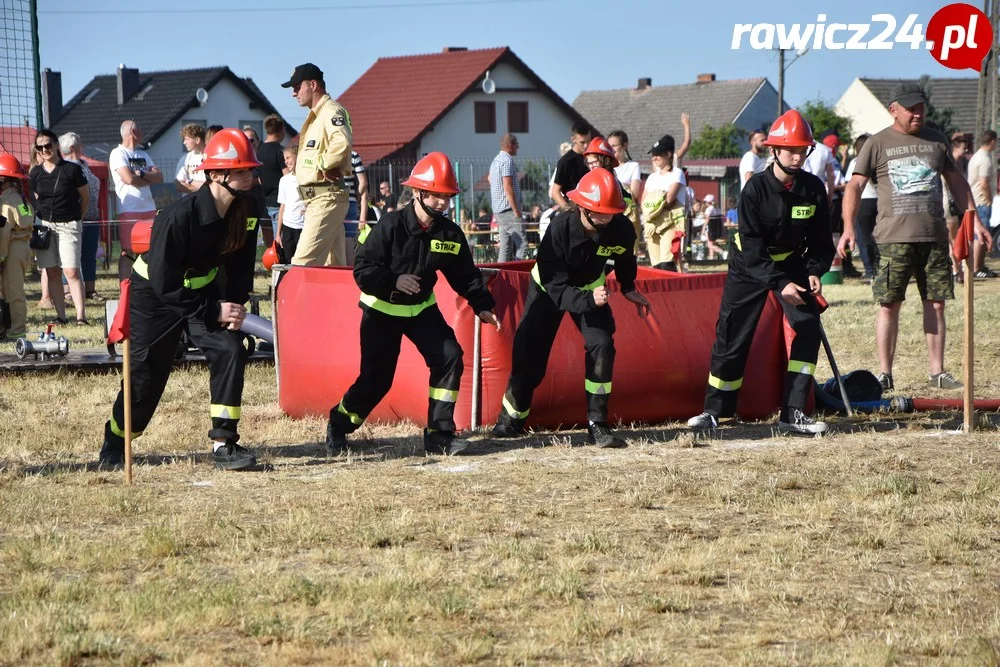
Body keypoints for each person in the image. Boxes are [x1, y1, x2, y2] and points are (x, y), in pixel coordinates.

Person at [99, 129, 263, 471]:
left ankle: (223, 444)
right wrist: (212, 309)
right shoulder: (179, 217)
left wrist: (233, 305)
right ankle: (115, 442)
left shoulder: (247, 208)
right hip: (156, 296)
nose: (251, 176)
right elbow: (164, 281)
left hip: (204, 293)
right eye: (242, 171)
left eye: (251, 170)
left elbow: (241, 265)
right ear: (217, 174)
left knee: (230, 349)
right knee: (145, 377)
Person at [324, 152, 501, 456]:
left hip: (421, 310)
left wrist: (482, 305)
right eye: (436, 196)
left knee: (449, 356)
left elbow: (465, 275)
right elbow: (363, 270)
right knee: (377, 381)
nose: (443, 203)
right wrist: (394, 280)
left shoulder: (449, 234)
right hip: (381, 311)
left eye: (447, 196)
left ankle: (439, 434)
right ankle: (339, 424)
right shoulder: (390, 226)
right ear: (418, 193)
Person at [687, 109, 834, 435]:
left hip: (793, 264)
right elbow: (751, 247)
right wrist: (780, 283)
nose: (798, 157)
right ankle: (716, 412)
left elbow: (822, 242)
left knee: (808, 328)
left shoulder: (813, 189)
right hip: (749, 266)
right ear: (774, 151)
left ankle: (793, 411)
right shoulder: (754, 190)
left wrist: (814, 271)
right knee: (731, 337)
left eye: (803, 150)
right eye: (791, 150)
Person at [838, 83, 993, 392]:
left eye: (921, 107)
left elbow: (957, 181)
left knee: (936, 304)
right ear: (893, 109)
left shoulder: (936, 140)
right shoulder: (878, 143)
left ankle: (937, 372)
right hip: (892, 239)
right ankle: (885, 373)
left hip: (933, 237)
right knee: (889, 305)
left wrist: (972, 218)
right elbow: (854, 186)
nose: (918, 113)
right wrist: (848, 228)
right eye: (911, 108)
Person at [492, 167, 650, 447]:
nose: (609, 217)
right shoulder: (559, 229)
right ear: (583, 208)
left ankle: (597, 424)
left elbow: (625, 259)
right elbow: (555, 287)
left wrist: (628, 288)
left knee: (602, 346)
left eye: (613, 211)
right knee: (529, 353)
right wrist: (589, 301)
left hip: (591, 288)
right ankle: (512, 419)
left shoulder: (621, 228)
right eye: (602, 212)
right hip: (548, 289)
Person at [282, 62, 353, 266]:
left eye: (297, 87)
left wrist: (324, 165)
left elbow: (342, 142)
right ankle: (340, 299)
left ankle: (291, 299)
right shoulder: (316, 115)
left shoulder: (330, 111)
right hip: (321, 199)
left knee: (302, 265)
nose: (294, 93)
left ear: (313, 85)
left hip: (326, 198)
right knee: (333, 267)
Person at [29, 128, 89, 325]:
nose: (45, 149)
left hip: (69, 224)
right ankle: (61, 316)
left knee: (71, 271)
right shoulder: (36, 173)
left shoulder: (72, 169)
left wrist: (76, 219)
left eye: (48, 145)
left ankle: (81, 316)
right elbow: (35, 199)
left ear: (56, 145)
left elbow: (85, 198)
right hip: (45, 226)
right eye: (40, 147)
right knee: (51, 271)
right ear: (37, 150)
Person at [109, 120, 162, 280]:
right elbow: (129, 178)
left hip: (149, 208)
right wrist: (147, 178)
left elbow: (159, 177)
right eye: (141, 130)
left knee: (150, 249)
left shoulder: (144, 154)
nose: (143, 133)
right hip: (129, 209)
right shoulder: (118, 153)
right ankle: (125, 287)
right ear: (133, 132)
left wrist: (143, 175)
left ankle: (147, 284)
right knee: (128, 251)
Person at [59, 132, 104, 302]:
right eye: (80, 143)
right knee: (70, 256)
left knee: (89, 254)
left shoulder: (84, 164)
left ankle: (90, 289)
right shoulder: (66, 167)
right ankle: (67, 290)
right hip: (74, 218)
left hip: (92, 217)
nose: (82, 146)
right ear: (72, 147)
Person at [640, 135, 687, 270]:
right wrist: (658, 202)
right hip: (652, 223)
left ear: (668, 154)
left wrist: (654, 202)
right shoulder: (651, 177)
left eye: (658, 154)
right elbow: (644, 201)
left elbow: (670, 198)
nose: (654, 158)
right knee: (656, 265)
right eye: (653, 155)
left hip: (670, 221)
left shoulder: (677, 173)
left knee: (668, 262)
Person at [0, 153, 33, 339]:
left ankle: (17, 330)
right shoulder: (21, 198)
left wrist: (1, 255)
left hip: (11, 247)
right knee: (15, 288)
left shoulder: (5, 201)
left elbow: (4, 230)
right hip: (22, 245)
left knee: (12, 291)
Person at [844, 134, 878, 280]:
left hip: (862, 202)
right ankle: (879, 268)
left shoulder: (856, 162)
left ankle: (870, 270)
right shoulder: (878, 161)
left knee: (864, 239)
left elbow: (849, 185)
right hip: (879, 201)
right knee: (877, 237)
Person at [966, 129, 996, 278]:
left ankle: (981, 265)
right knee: (981, 236)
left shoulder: (976, 156)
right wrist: (989, 199)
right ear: (992, 142)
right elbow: (983, 183)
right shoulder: (984, 159)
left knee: (983, 235)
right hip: (980, 201)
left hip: (976, 200)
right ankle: (977, 268)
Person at [490, 133, 524, 261]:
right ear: (510, 146)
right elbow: (508, 187)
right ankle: (520, 274)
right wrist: (516, 211)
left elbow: (490, 179)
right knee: (522, 244)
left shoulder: (496, 160)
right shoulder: (507, 160)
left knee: (505, 246)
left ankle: (500, 276)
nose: (518, 147)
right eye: (517, 145)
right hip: (508, 210)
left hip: (498, 210)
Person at [608, 130, 642, 250]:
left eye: (614, 145)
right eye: (609, 146)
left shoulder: (633, 166)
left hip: (628, 214)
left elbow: (634, 193)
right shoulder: (606, 167)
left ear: (625, 145)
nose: (611, 149)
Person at [256, 114, 289, 232]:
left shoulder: (259, 151)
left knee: (269, 242)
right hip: (280, 203)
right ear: (281, 130)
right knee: (280, 240)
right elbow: (288, 177)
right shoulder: (281, 152)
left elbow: (259, 178)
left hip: (265, 202)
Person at [549, 122, 591, 210]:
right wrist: (569, 210)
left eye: (588, 141)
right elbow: (555, 191)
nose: (586, 145)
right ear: (573, 139)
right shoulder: (565, 161)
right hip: (575, 206)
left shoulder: (593, 157)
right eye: (582, 142)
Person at [276, 144, 305, 263]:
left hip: (303, 226)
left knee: (301, 260)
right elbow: (282, 206)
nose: (286, 162)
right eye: (284, 159)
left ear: (298, 157)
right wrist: (278, 233)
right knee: (288, 260)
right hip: (288, 225)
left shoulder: (307, 179)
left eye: (288, 158)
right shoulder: (284, 180)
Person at [174, 123, 207, 194]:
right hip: (190, 202)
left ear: (197, 140)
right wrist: (204, 190)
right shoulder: (185, 159)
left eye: (186, 139)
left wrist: (190, 181)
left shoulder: (210, 157)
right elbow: (178, 185)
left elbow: (213, 185)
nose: (184, 142)